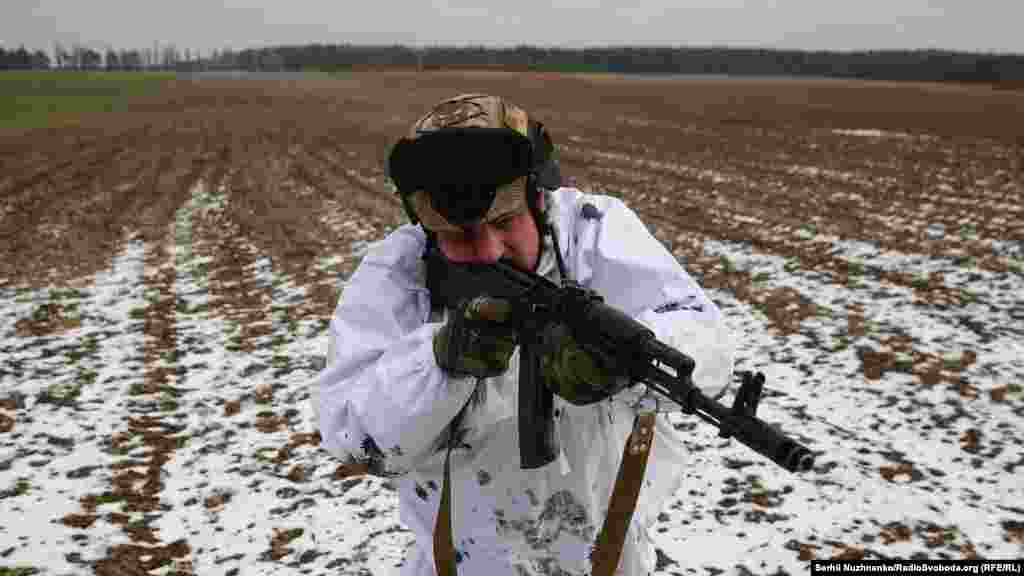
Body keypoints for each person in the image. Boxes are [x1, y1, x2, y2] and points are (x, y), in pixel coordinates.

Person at [314, 93, 735, 576]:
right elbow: (352, 434)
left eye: (504, 222)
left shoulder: (593, 233)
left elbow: (707, 344)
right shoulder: (399, 274)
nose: (489, 250)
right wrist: (438, 364)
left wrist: (619, 360)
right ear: (427, 229)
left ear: (538, 198)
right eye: (458, 235)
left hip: (610, 558)